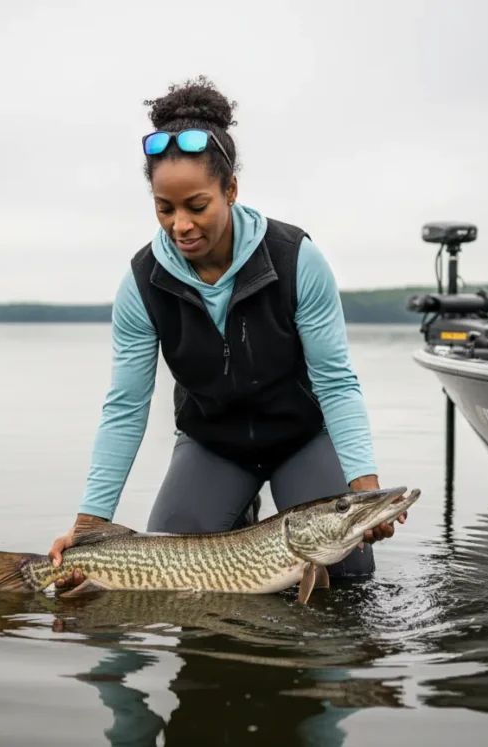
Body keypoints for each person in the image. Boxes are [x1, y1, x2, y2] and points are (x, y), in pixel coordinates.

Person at [48, 75, 405, 588]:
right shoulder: (141, 284)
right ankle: (236, 517)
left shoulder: (296, 259)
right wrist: (89, 525)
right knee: (171, 579)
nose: (180, 226)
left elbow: (336, 381)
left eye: (197, 206)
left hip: (299, 439)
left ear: (231, 189)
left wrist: (365, 487)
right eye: (164, 208)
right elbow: (125, 408)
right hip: (212, 445)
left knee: (346, 571)